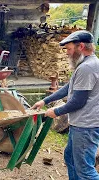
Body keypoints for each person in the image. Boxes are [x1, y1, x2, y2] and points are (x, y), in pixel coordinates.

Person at [32, 30, 99, 180]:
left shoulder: (87, 68)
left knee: (85, 170)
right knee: (70, 158)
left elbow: (78, 101)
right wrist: (45, 101)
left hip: (86, 127)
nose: (67, 53)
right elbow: (69, 88)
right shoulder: (86, 65)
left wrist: (56, 111)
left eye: (69, 49)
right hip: (81, 125)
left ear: (80, 46)